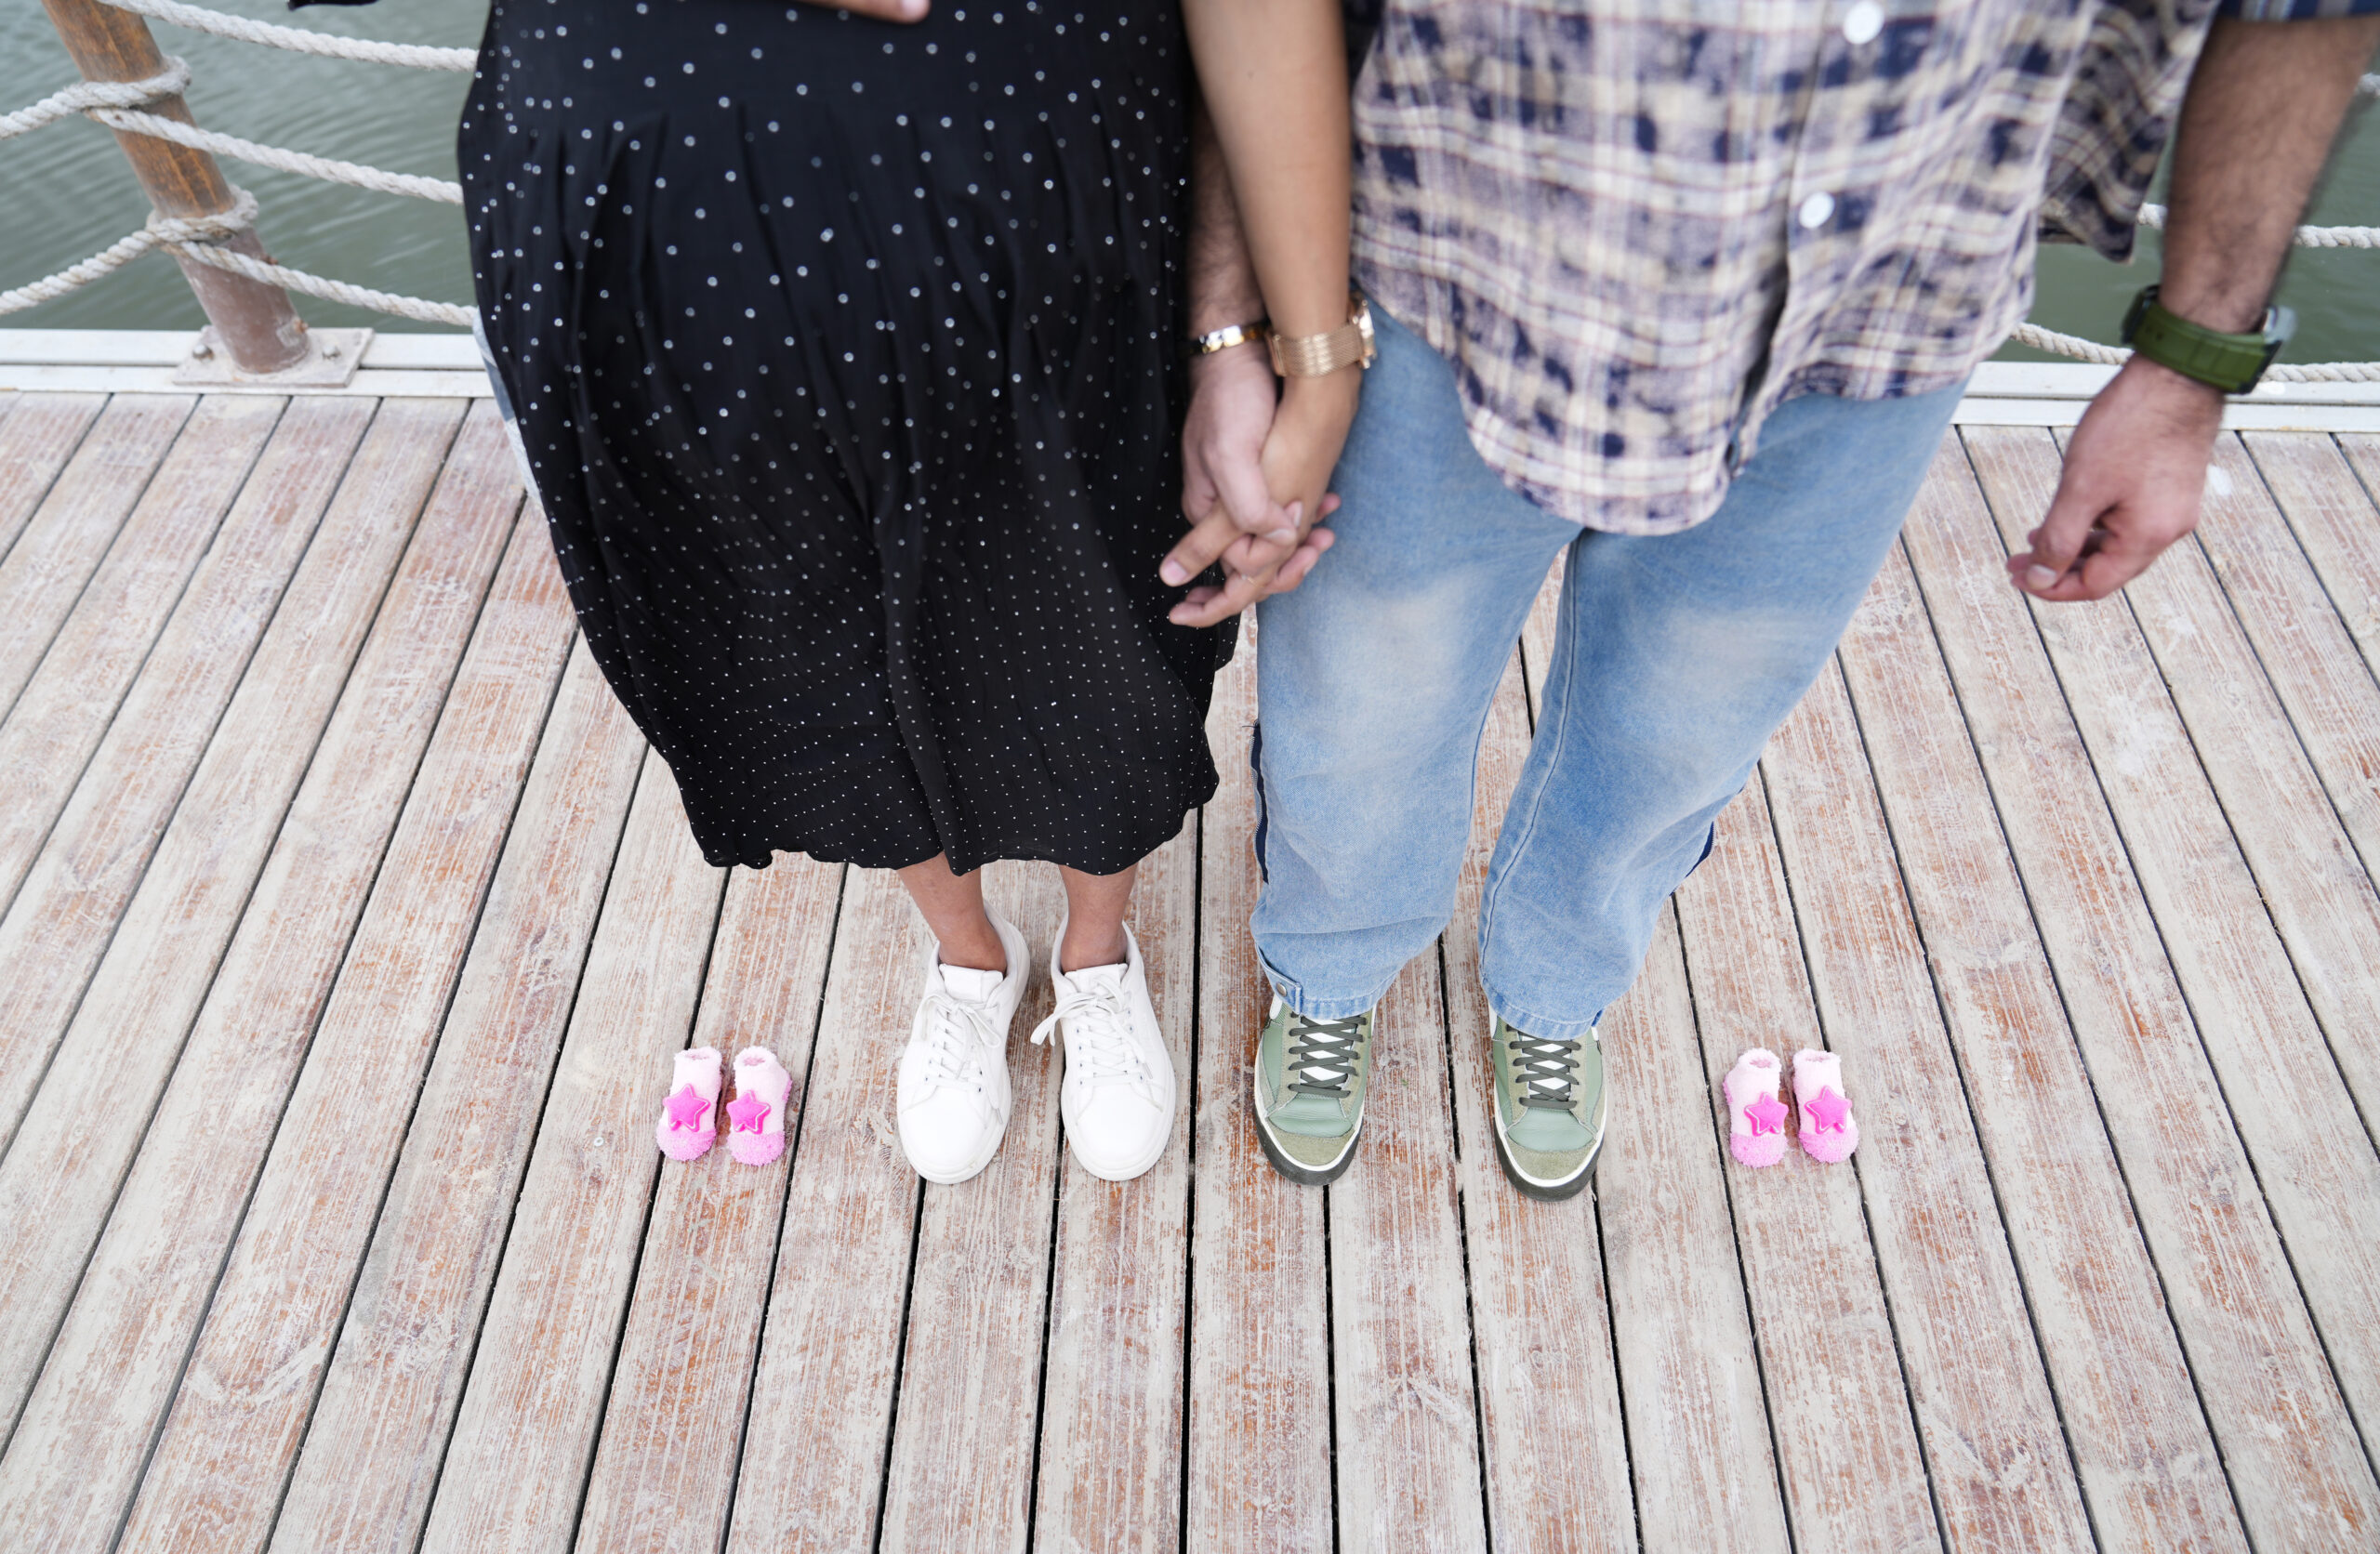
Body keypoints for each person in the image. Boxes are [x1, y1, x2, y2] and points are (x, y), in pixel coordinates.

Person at [1158, 0, 2380, 1198]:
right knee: (1364, 709)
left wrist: (2191, 363)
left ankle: (1555, 986)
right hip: (1450, 268)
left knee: (1678, 735)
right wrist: (1236, 326)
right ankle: (1329, 969)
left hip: (1884, 310)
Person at [455, 0, 1356, 1186]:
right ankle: (970, 960)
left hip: (1054, 177)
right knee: (815, 656)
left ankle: (1095, 957)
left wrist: (1245, 331)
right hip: (658, 212)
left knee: (1102, 643)